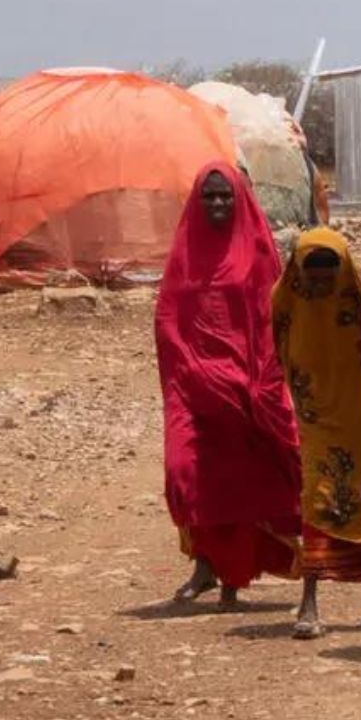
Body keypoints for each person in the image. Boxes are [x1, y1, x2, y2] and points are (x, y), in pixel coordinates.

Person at [156, 163, 302, 608]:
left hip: (243, 386)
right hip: (192, 389)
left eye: (225, 197)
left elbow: (271, 319)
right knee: (186, 474)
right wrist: (185, 367)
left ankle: (228, 576)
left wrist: (262, 379)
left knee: (237, 481)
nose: (217, 204)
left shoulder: (256, 251)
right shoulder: (185, 250)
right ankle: (204, 562)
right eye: (210, 197)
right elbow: (166, 316)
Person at [271, 228, 361, 638]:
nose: (322, 281)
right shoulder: (284, 303)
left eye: (330, 272)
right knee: (318, 498)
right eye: (314, 273)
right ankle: (310, 602)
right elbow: (276, 351)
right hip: (315, 419)